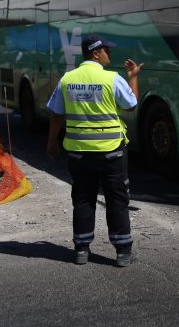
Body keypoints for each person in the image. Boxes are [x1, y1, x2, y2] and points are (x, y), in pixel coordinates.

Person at [46, 34, 143, 267]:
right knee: (117, 199)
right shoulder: (111, 78)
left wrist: (51, 141)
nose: (110, 54)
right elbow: (131, 104)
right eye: (107, 50)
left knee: (83, 198)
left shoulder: (68, 79)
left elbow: (57, 113)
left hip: (79, 152)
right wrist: (134, 78)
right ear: (95, 53)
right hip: (111, 151)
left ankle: (81, 249)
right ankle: (122, 253)